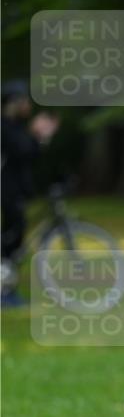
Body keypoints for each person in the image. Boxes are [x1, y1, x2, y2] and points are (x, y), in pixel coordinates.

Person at [1, 81, 60, 307]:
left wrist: (39, 137)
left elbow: (30, 153)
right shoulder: (5, 127)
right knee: (10, 241)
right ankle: (4, 291)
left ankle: (7, 288)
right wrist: (38, 134)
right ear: (13, 102)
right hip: (7, 192)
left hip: (15, 191)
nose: (27, 105)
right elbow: (22, 150)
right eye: (24, 100)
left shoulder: (14, 127)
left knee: (14, 241)